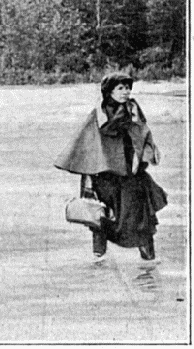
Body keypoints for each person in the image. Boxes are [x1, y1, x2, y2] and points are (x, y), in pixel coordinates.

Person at [54, 72, 167, 260]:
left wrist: (145, 155)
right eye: (120, 88)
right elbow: (87, 150)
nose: (126, 92)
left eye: (128, 88)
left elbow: (145, 137)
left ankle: (149, 263)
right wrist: (88, 183)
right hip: (106, 178)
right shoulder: (98, 116)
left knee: (142, 219)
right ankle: (99, 260)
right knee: (101, 219)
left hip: (132, 176)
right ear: (109, 91)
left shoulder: (134, 111)